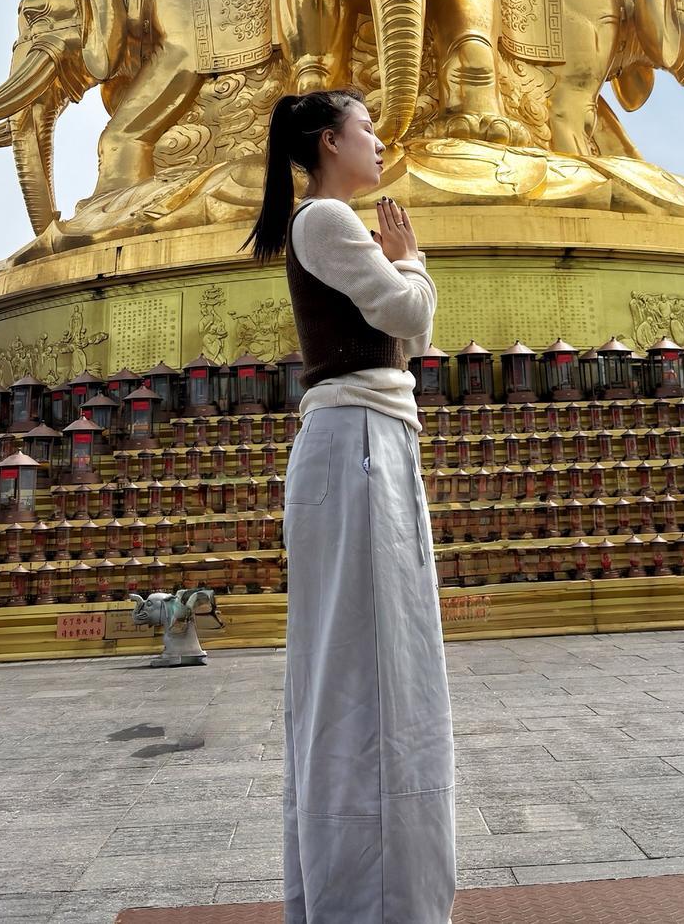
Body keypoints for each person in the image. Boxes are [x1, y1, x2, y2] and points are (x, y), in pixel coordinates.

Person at [246, 88, 457, 924]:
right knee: (359, 670)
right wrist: (413, 262)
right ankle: (361, 901)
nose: (379, 140)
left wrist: (406, 275)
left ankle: (389, 892)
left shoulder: (340, 229)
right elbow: (411, 314)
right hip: (357, 441)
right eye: (366, 128)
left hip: (378, 438)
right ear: (330, 142)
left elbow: (414, 336)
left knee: (388, 664)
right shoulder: (324, 222)